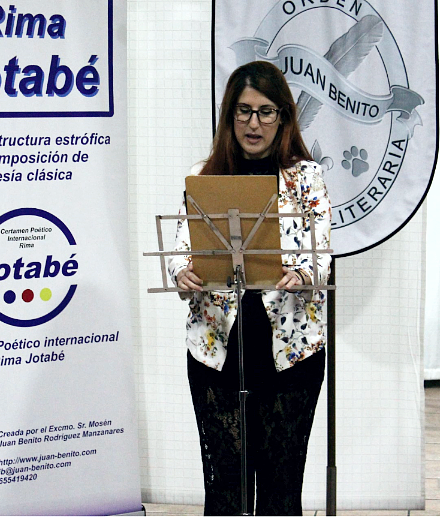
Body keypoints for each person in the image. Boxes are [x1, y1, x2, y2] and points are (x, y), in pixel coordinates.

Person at [168, 61, 332, 516]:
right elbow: (183, 251)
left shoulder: (306, 179)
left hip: (290, 349)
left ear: (282, 117)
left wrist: (304, 274)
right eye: (242, 111)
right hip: (218, 348)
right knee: (224, 486)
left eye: (264, 112)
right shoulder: (205, 175)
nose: (253, 123)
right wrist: (181, 273)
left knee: (281, 488)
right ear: (229, 116)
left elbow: (322, 255)